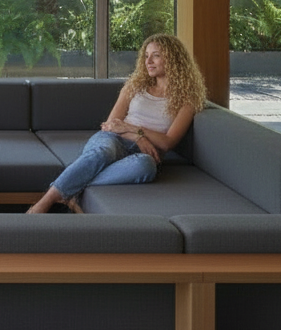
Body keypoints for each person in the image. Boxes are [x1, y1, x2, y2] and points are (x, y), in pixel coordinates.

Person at [28, 33, 207, 214]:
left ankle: (73, 190)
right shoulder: (135, 86)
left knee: (146, 167)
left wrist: (136, 131)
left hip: (143, 153)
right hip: (114, 139)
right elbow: (110, 125)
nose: (148, 61)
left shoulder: (187, 100)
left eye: (156, 55)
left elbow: (168, 142)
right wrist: (137, 137)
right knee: (103, 152)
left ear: (173, 59)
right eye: (146, 56)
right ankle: (45, 202)